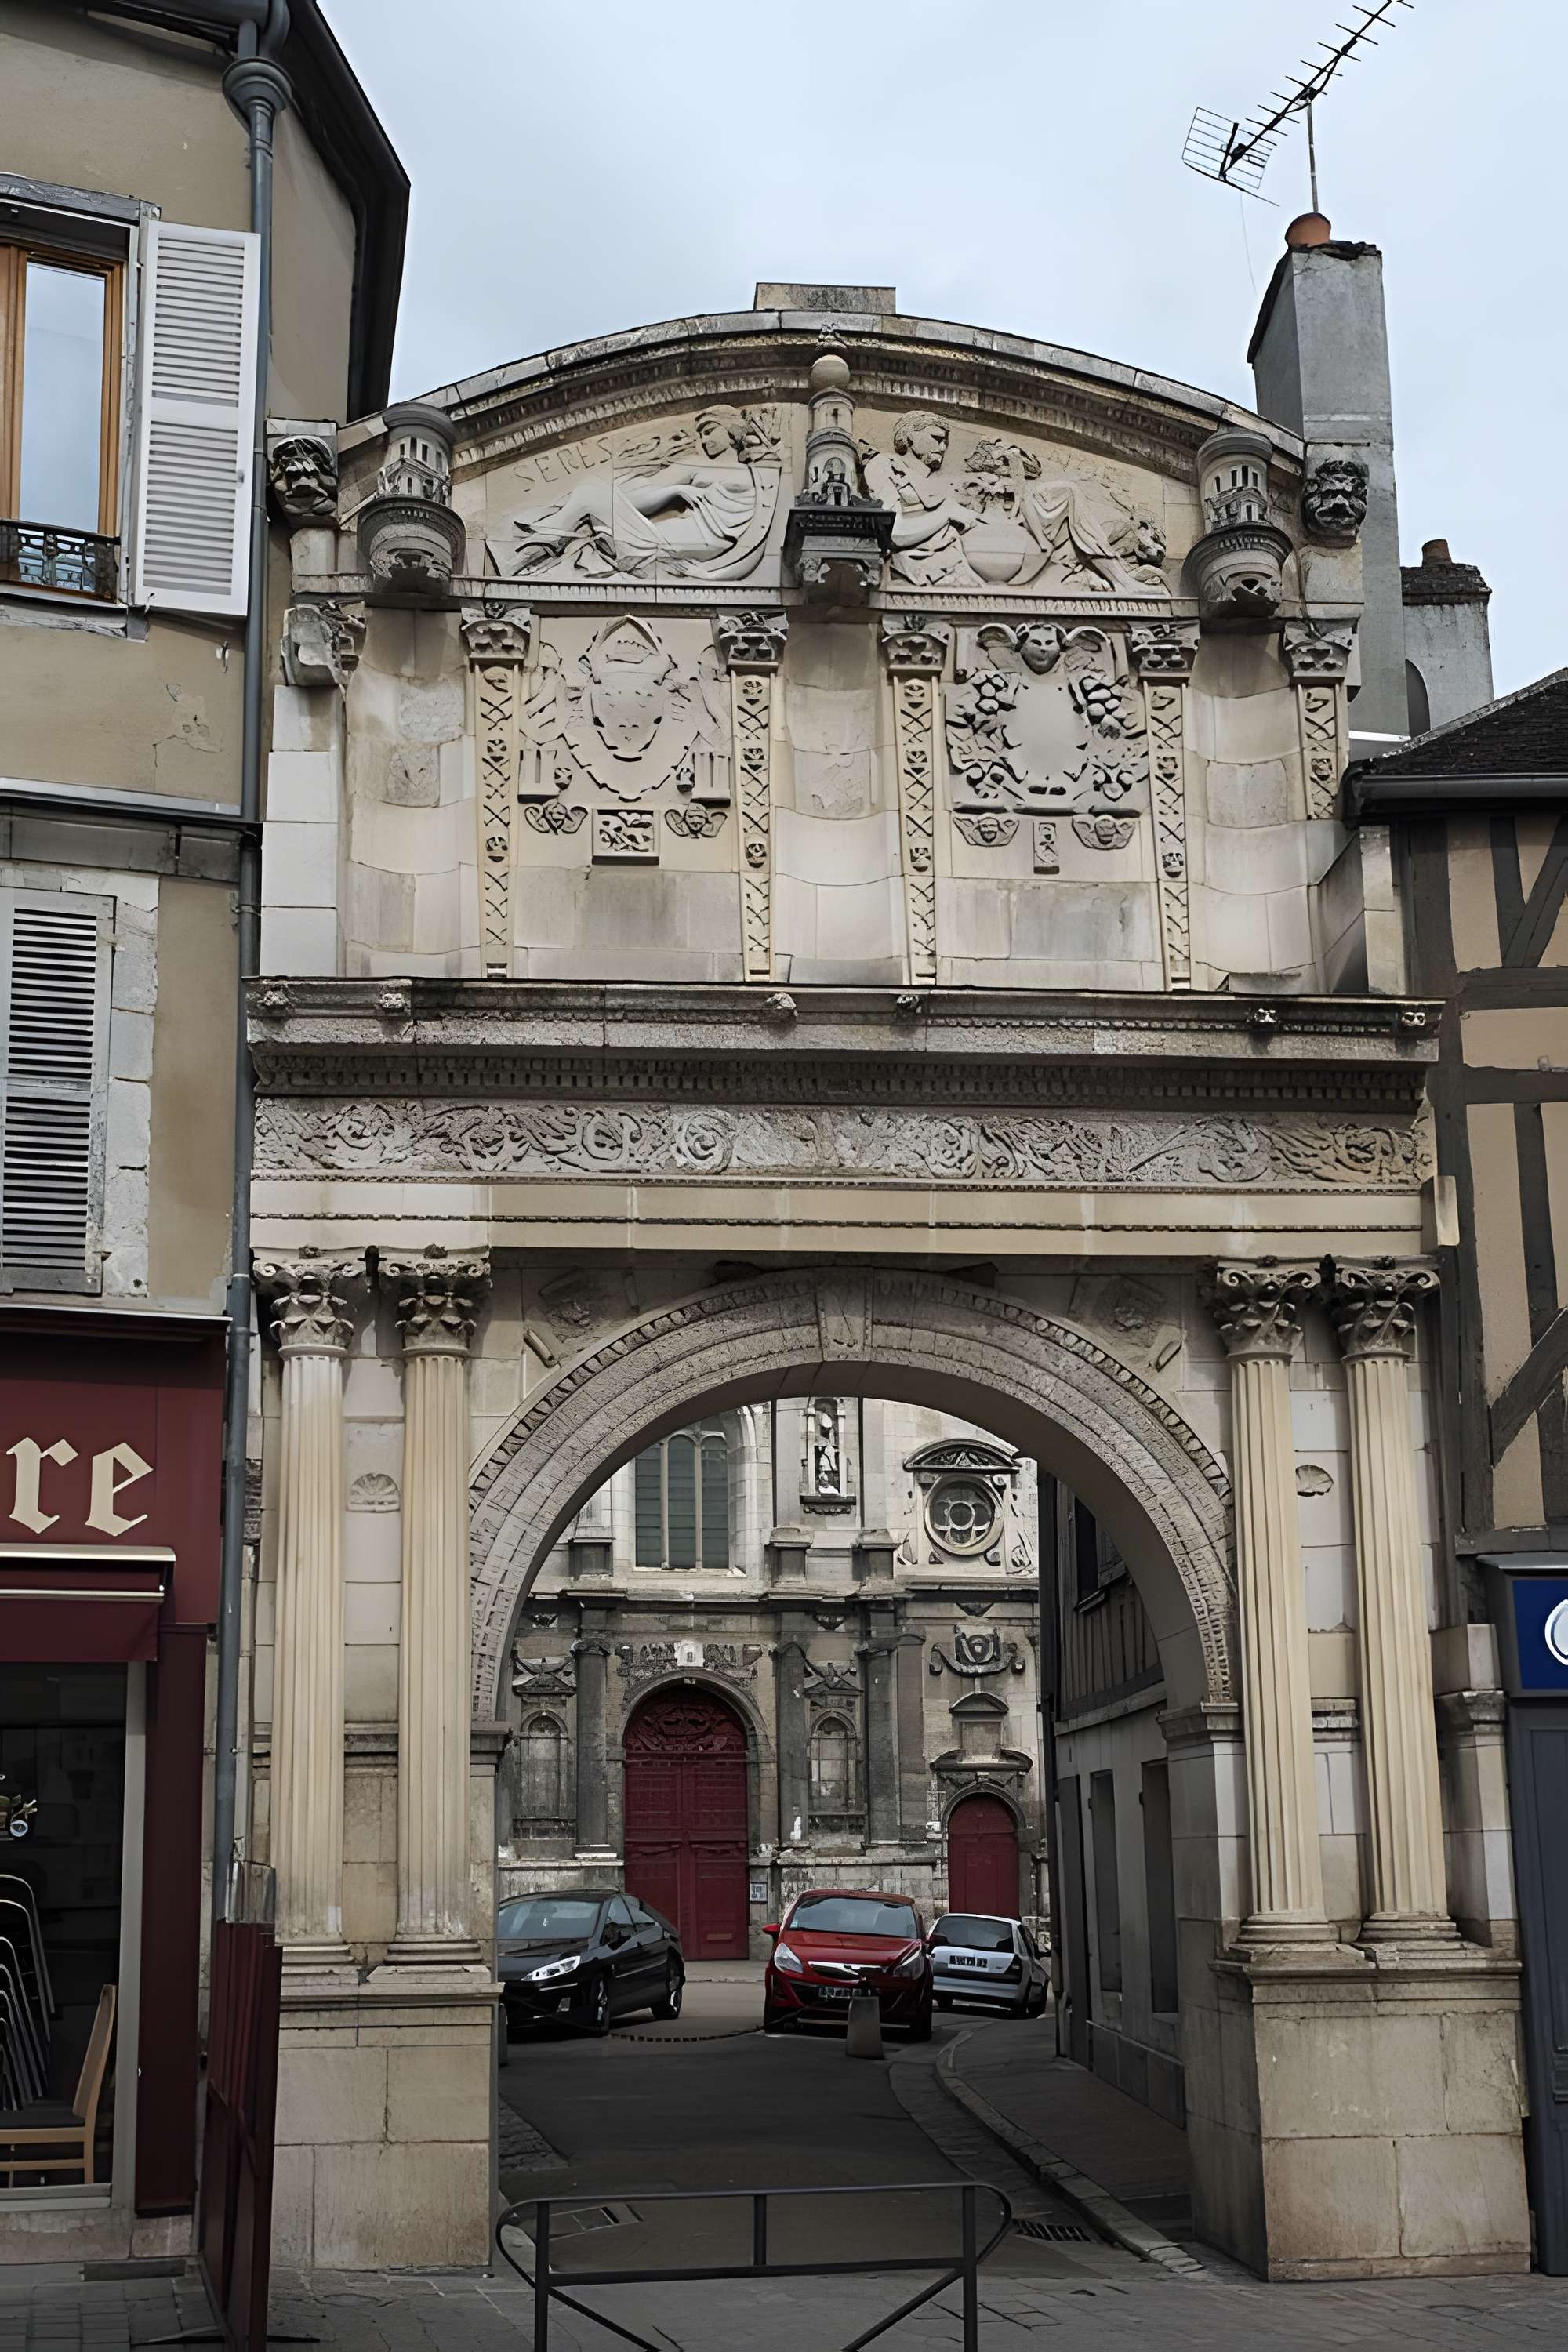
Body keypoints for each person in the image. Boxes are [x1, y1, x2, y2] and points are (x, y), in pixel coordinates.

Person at [509, 405, 774, 579]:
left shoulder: (761, 473)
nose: (703, 441)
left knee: (590, 492)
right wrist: (676, 490)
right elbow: (640, 502)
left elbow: (759, 544)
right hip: (657, 540)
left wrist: (712, 576)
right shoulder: (694, 467)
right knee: (591, 492)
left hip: (676, 548)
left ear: (732, 429)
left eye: (709, 430)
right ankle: (538, 548)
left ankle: (530, 552)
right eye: (701, 434)